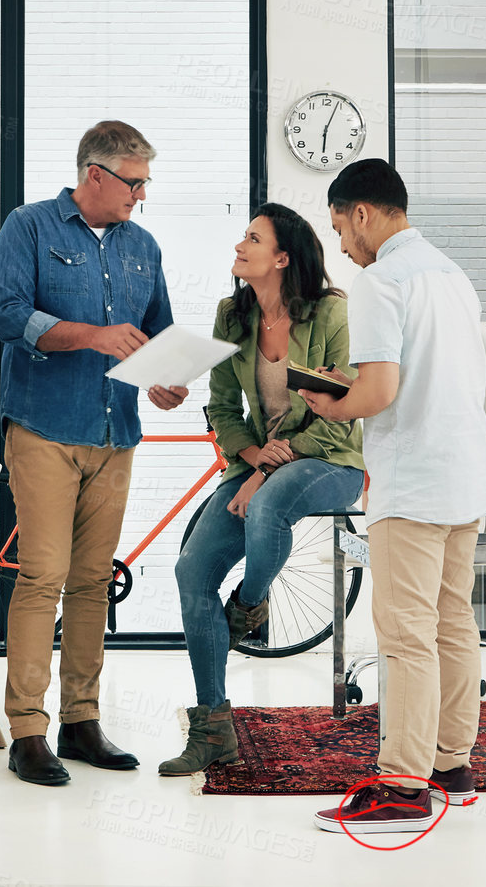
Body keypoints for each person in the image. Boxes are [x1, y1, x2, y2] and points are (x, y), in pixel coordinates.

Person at [298, 159, 486, 836]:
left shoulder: (379, 280)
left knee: (405, 633)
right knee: (452, 622)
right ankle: (452, 769)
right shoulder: (451, 274)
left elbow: (379, 394)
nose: (342, 249)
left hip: (413, 479)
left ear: (361, 213)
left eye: (340, 230)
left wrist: (331, 405)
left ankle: (402, 785)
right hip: (465, 472)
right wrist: (351, 384)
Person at [0, 120, 189, 786]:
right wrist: (91, 337)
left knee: (93, 583)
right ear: (95, 176)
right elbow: (8, 315)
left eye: (145, 184)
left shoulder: (145, 245)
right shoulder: (31, 227)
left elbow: (156, 330)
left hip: (116, 436)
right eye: (134, 183)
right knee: (42, 576)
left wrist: (165, 377)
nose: (140, 195)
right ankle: (26, 729)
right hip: (44, 429)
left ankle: (80, 720)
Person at [160, 204, 365, 776]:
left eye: (253, 237)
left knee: (269, 502)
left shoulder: (330, 314)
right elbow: (224, 407)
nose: (239, 244)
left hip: (328, 458)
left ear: (282, 257)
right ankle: (213, 729)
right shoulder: (234, 314)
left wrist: (267, 470)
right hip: (259, 463)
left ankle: (248, 605)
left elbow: (342, 411)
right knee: (191, 570)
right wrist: (253, 460)